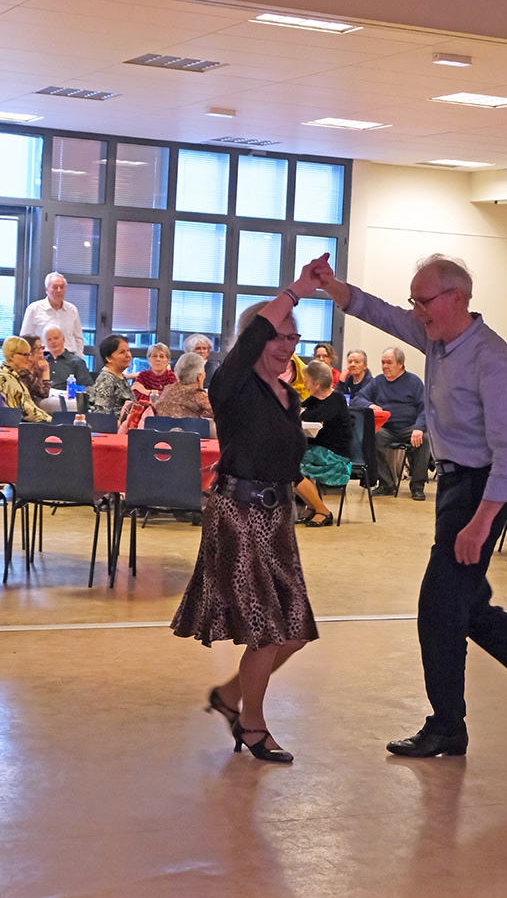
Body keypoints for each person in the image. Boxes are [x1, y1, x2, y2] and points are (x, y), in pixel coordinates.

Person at [310, 251, 507, 758]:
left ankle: (450, 724)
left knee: (437, 608)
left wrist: (481, 522)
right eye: (414, 302)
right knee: (468, 608)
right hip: (454, 488)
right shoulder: (437, 340)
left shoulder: (490, 356)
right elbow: (380, 312)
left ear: (457, 298)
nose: (415, 311)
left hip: (479, 492)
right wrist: (332, 286)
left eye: (423, 302)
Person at [171, 274, 320, 764]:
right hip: (236, 515)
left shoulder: (288, 395)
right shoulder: (230, 383)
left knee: (294, 631)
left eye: (292, 336)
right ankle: (253, 726)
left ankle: (229, 696)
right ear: (254, 338)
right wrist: (297, 289)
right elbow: (255, 335)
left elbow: (287, 460)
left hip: (276, 521)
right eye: (276, 334)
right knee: (267, 631)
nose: (285, 345)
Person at [351, 346, 430, 500]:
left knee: (425, 440)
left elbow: (426, 408)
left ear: (400, 364)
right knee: (372, 437)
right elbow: (357, 398)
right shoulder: (378, 381)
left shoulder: (414, 382)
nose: (385, 366)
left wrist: (419, 428)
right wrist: (369, 405)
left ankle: (417, 486)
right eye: (383, 363)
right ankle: (386, 484)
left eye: (389, 363)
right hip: (387, 429)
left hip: (410, 427)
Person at [295, 359, 352, 527]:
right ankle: (313, 507)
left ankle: (323, 511)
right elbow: (296, 410)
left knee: (289, 468)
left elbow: (312, 416)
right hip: (319, 451)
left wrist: (301, 413)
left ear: (317, 383)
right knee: (285, 463)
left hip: (336, 457)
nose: (304, 384)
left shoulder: (336, 399)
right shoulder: (314, 399)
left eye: (306, 380)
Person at [20, 272, 85, 356]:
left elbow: (78, 337)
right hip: (43, 356)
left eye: (62, 287)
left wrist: (79, 357)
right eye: (55, 287)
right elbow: (25, 337)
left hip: (69, 357)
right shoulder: (34, 308)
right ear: (47, 289)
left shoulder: (72, 309)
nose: (59, 290)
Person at [0, 336, 51, 422]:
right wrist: (51, 421)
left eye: (29, 354)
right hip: (16, 427)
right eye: (25, 355)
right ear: (12, 356)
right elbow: (27, 412)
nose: (29, 358)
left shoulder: (14, 375)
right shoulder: (7, 379)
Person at [154, 351, 214, 424]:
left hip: (162, 433)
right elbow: (221, 414)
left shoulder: (168, 389)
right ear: (199, 376)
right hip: (187, 433)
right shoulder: (197, 394)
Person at [87, 335, 134, 417]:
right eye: (122, 352)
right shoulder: (106, 380)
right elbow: (101, 416)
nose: (128, 355)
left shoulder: (119, 376)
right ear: (109, 358)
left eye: (128, 351)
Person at [43, 324, 91, 390]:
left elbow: (88, 388)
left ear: (63, 339)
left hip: (67, 398)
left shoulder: (77, 362)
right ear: (45, 343)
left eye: (56, 338)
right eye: (49, 339)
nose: (53, 342)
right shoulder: (42, 362)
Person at [19, 335, 51, 405]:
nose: (41, 352)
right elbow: (44, 393)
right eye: (38, 348)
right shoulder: (23, 373)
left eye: (42, 348)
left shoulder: (33, 369)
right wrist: (46, 371)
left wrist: (40, 375)